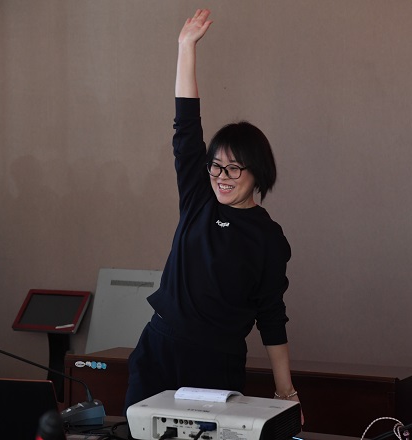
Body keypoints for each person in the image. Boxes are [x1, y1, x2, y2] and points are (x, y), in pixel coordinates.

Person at [124, 8, 303, 423]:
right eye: (216, 167)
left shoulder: (268, 237)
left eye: (234, 169)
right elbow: (186, 128)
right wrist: (185, 47)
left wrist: (285, 390)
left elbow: (271, 316)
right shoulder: (198, 199)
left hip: (215, 361)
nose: (222, 177)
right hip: (159, 344)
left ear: (258, 173)